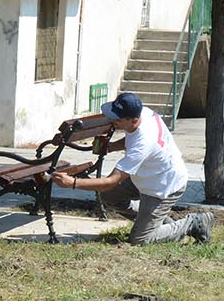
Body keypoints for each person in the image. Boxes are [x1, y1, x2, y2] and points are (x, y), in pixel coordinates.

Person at [51, 91, 213, 245]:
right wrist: (111, 146)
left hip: (163, 187)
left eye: (117, 119)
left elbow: (111, 181)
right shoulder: (143, 113)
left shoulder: (143, 143)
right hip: (146, 178)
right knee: (109, 196)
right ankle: (161, 224)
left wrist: (73, 183)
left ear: (133, 120)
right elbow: (131, 139)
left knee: (140, 239)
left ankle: (193, 223)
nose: (112, 121)